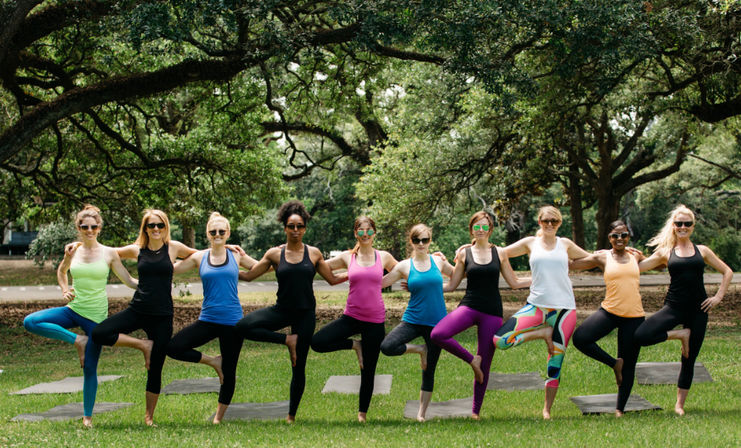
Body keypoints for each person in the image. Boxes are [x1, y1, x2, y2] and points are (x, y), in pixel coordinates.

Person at [23, 205, 138, 427]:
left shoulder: (109, 253)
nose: (89, 230)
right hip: (73, 309)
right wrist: (64, 289)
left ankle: (87, 417)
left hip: (96, 319)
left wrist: (154, 286)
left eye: (93, 226)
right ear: (78, 227)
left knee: (89, 369)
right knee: (31, 321)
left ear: (99, 228)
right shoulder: (73, 250)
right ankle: (78, 341)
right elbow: (61, 270)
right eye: (84, 227)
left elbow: (130, 281)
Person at [235, 200, 347, 423]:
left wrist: (358, 272)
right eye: (291, 226)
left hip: (305, 315)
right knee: (242, 327)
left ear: (304, 228)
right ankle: (288, 340)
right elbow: (248, 276)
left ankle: (291, 416)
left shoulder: (314, 254)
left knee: (299, 366)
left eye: (299, 226)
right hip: (281, 310)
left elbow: (333, 280)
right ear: (284, 228)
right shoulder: (275, 254)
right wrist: (226, 260)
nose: (295, 230)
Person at [430, 211, 530, 419]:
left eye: (485, 227)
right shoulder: (465, 254)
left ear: (491, 229)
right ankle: (470, 360)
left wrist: (538, 279)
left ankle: (475, 411)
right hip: (469, 306)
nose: (481, 230)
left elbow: (514, 283)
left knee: (485, 363)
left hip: (492, 312)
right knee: (438, 334)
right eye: (477, 227)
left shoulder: (500, 253)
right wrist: (423, 284)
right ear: (471, 229)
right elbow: (451, 285)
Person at [634, 205, 732, 416]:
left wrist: (718, 297)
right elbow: (638, 268)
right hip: (673, 307)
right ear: (673, 226)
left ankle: (679, 405)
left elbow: (727, 271)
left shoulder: (702, 251)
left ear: (693, 227)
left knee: (689, 359)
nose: (683, 227)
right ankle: (680, 335)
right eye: (679, 223)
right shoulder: (665, 252)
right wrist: (630, 256)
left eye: (687, 224)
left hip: (698, 310)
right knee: (641, 335)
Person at [493, 205, 589, 419]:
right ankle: (543, 333)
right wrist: (468, 248)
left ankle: (547, 409)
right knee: (500, 340)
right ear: (539, 222)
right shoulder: (530, 243)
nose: (549, 225)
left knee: (555, 362)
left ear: (559, 223)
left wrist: (618, 253)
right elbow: (498, 253)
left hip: (564, 310)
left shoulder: (565, 244)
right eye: (545, 221)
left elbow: (592, 259)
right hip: (536, 306)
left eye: (554, 221)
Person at [166, 212, 258, 424]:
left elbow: (261, 265)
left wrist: (243, 273)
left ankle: (218, 417)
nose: (217, 234)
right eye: (213, 231)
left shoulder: (236, 255)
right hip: (207, 319)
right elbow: (171, 269)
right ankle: (212, 361)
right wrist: (170, 248)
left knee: (230, 371)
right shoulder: (199, 257)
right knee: (173, 347)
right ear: (207, 233)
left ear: (228, 233)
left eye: (221, 231)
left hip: (233, 322)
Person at [311, 216, 398, 422]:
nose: (365, 234)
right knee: (317, 342)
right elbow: (319, 264)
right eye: (361, 230)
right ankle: (354, 345)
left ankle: (362, 414)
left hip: (375, 321)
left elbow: (406, 268)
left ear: (374, 234)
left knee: (369, 370)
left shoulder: (383, 256)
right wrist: (292, 252)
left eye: (369, 230)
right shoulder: (346, 257)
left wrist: (384, 280)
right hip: (351, 317)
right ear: (355, 233)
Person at [570, 220, 645, 417]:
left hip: (634, 316)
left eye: (624, 235)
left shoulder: (635, 255)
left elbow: (655, 262)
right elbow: (574, 264)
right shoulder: (602, 257)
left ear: (628, 237)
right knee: (580, 338)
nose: (620, 239)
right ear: (609, 238)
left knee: (629, 363)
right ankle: (613, 363)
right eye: (615, 236)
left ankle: (620, 409)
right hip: (609, 311)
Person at [380, 223, 454, 422]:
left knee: (429, 370)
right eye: (416, 240)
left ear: (430, 240)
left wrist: (463, 251)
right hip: (412, 320)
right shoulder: (404, 266)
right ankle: (420, 349)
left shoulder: (438, 261)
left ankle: (421, 414)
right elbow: (382, 283)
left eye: (425, 240)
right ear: (411, 242)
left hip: (438, 324)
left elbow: (458, 273)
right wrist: (359, 268)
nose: (421, 244)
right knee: (387, 346)